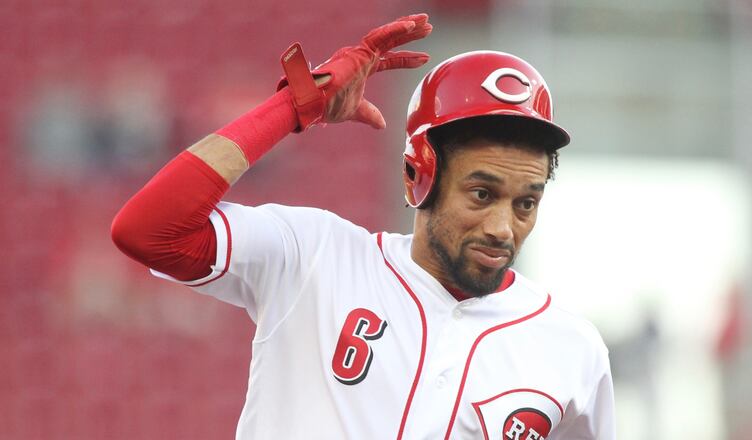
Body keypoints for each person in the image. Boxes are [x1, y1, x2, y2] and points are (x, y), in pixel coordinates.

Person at [111, 13, 615, 439]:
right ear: (417, 175)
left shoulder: (571, 349)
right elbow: (149, 230)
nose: (503, 228)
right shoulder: (314, 258)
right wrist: (292, 108)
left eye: (525, 203)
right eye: (481, 195)